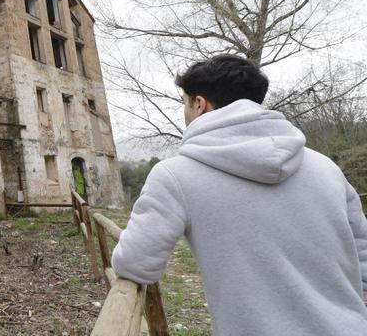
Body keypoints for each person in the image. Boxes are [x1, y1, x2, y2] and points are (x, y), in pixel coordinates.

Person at [111, 54, 367, 335]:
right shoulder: (326, 168)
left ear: (199, 104)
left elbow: (135, 264)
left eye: (184, 103)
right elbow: (363, 263)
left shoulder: (175, 175)